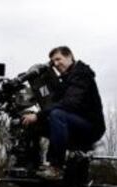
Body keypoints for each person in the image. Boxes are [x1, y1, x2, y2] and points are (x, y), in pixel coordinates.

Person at [21, 46, 106, 179]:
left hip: (91, 127)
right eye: (53, 62)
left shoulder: (82, 74)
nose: (56, 64)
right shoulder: (65, 79)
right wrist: (36, 117)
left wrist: (38, 115)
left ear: (69, 56)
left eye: (58, 59)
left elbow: (69, 104)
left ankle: (56, 168)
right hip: (72, 123)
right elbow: (54, 103)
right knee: (32, 122)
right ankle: (31, 165)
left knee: (56, 114)